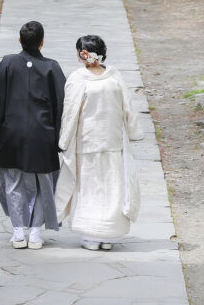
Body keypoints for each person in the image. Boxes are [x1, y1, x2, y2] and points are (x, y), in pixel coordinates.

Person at [0, 20, 66, 249]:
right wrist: (62, 138)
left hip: (12, 134)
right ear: (42, 42)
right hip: (43, 136)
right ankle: (36, 233)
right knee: (43, 186)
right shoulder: (52, 67)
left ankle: (19, 232)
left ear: (20, 40)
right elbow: (61, 105)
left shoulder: (8, 63)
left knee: (13, 182)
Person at [55, 33, 143, 251]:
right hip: (113, 140)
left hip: (87, 141)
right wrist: (133, 131)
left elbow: (70, 112)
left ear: (82, 54)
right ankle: (108, 235)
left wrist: (64, 140)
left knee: (89, 186)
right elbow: (128, 106)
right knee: (112, 185)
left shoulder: (78, 78)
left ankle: (91, 234)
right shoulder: (114, 77)